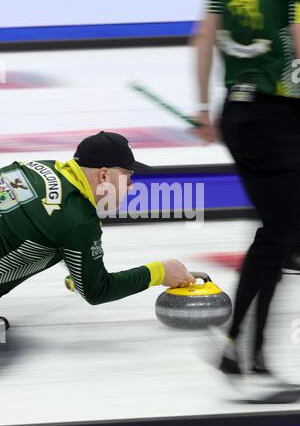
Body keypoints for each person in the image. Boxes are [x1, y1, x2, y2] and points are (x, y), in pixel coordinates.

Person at [193, 0, 300, 401]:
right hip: (277, 114)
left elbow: (202, 37)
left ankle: (245, 352)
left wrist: (202, 108)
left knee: (280, 230)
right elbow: (297, 36)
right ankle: (240, 348)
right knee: (278, 234)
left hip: (238, 113)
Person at [0, 131, 195, 339]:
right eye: (127, 177)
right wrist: (160, 272)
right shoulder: (78, 219)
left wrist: (81, 273)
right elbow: (97, 291)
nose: (131, 187)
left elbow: (40, 224)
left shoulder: (41, 167)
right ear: (104, 175)